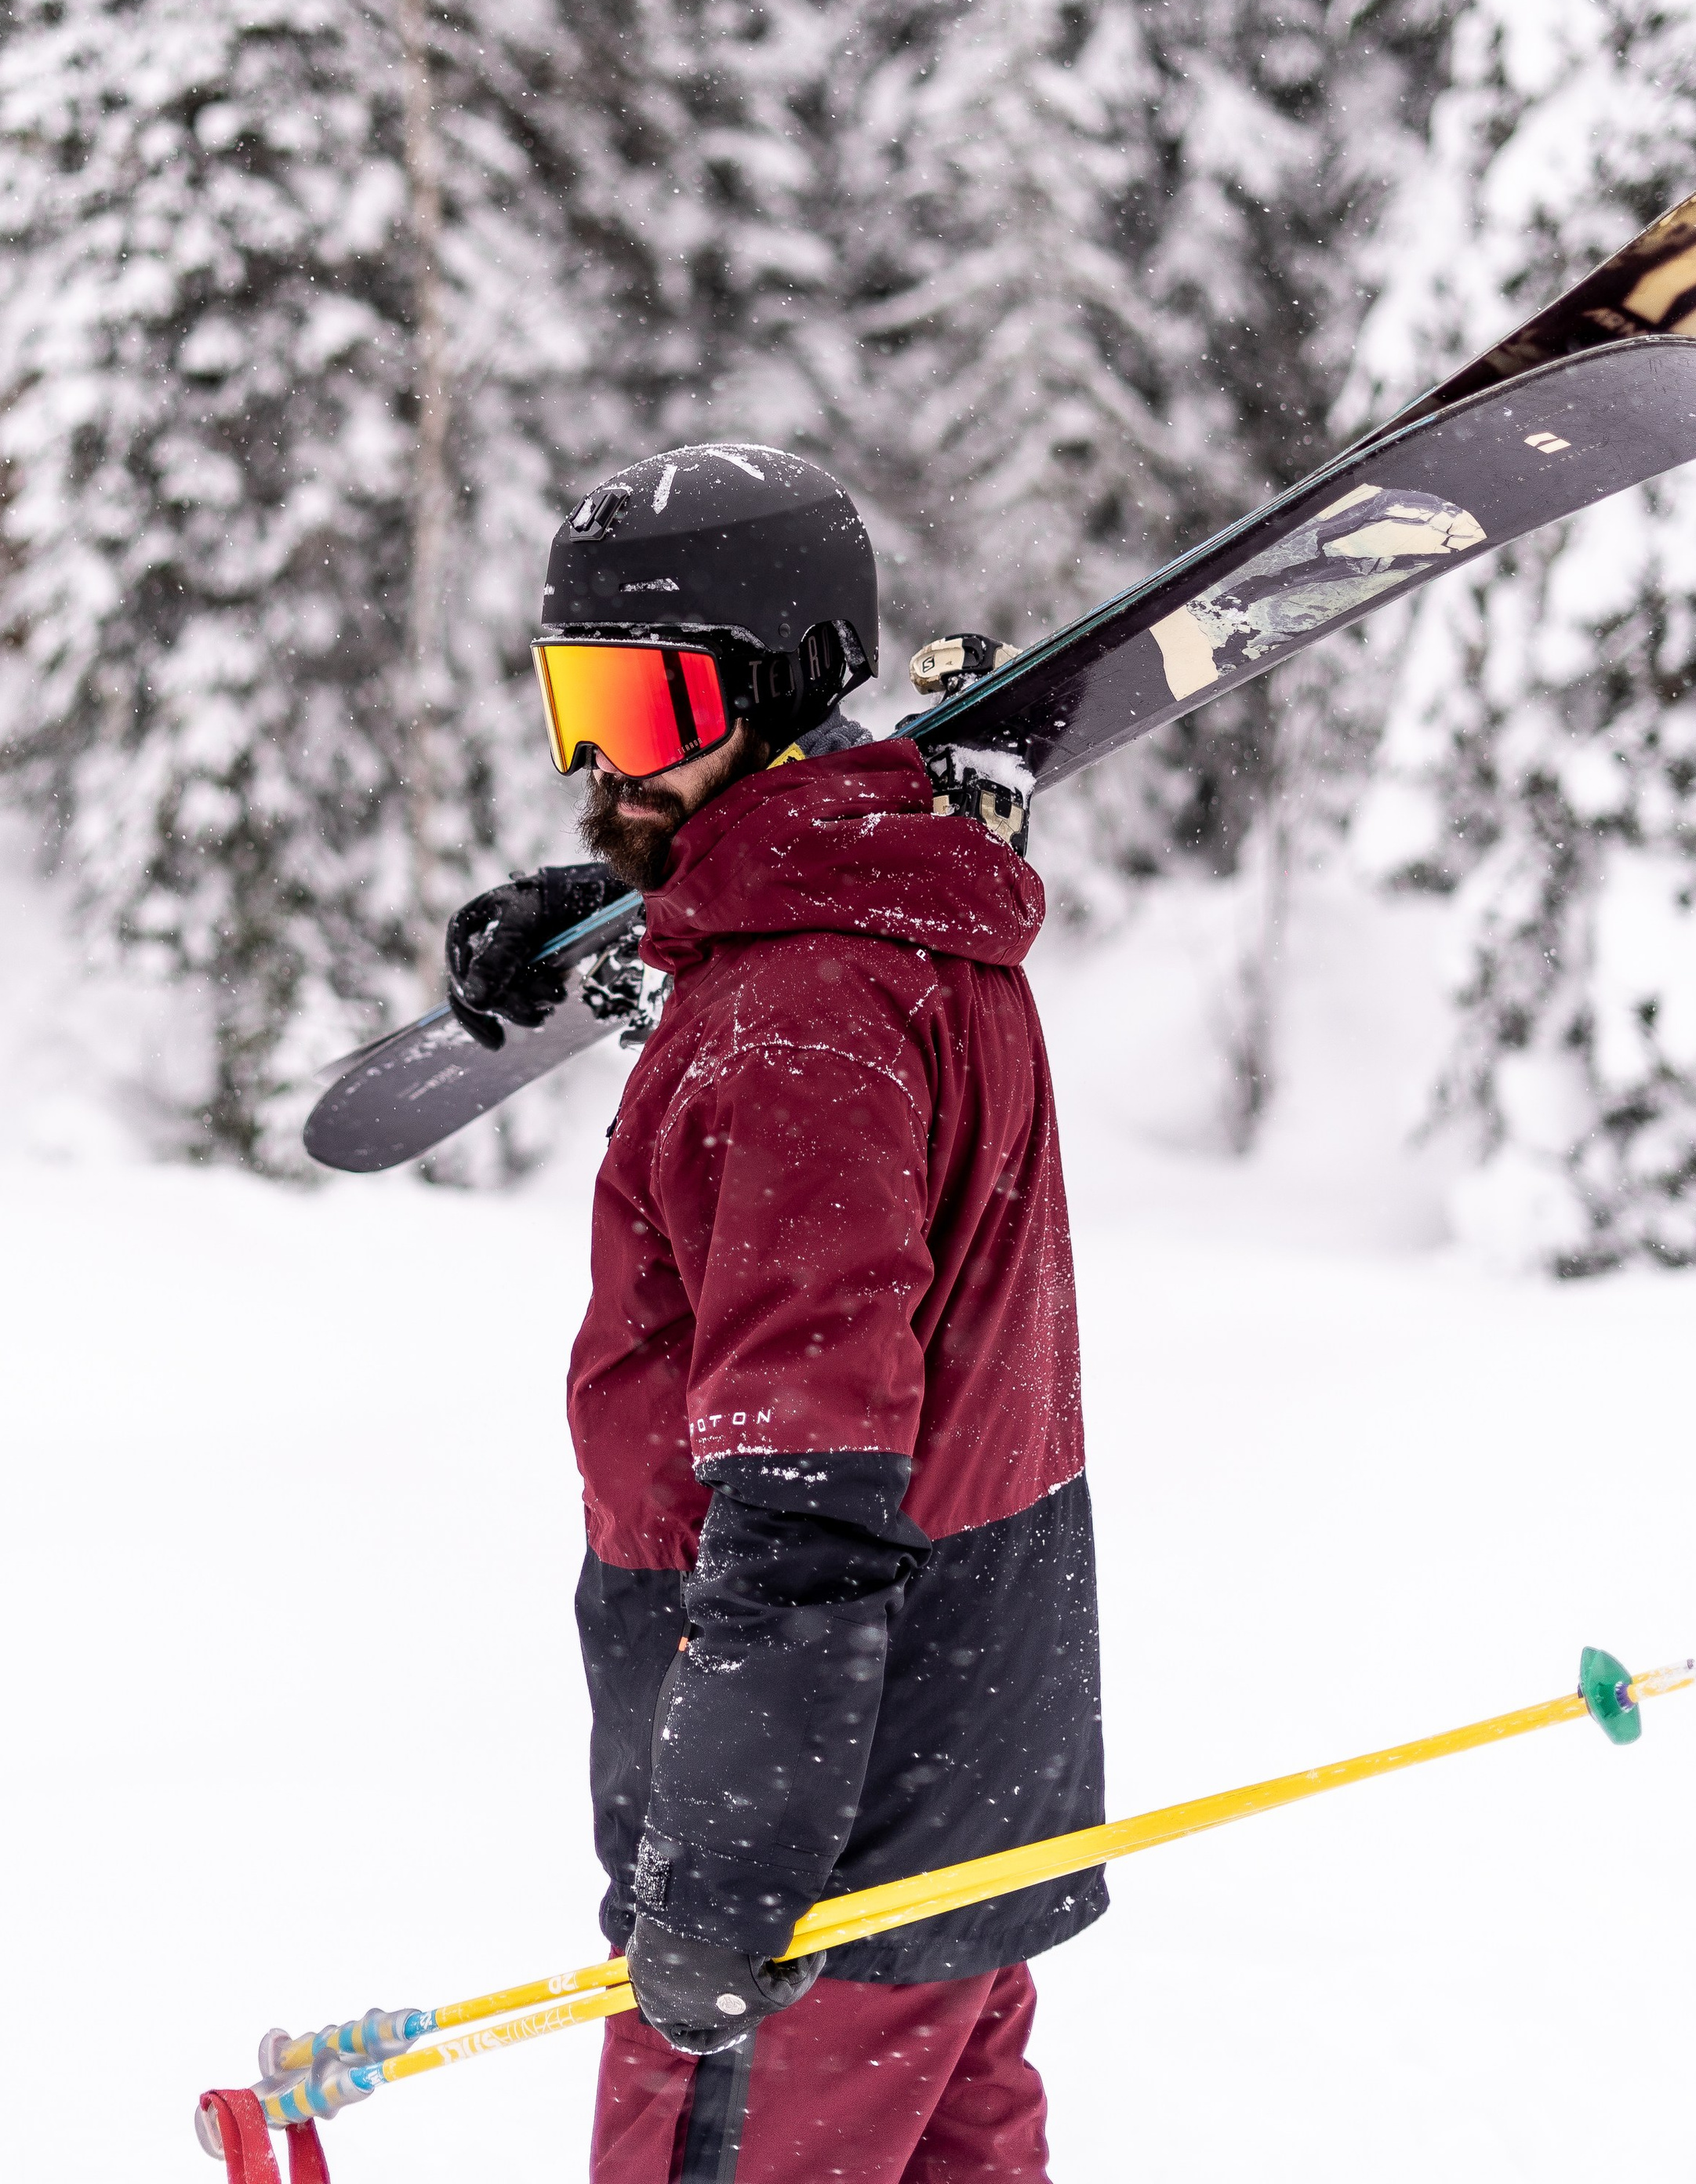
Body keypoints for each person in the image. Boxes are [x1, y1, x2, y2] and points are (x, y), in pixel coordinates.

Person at [444, 443, 1104, 2184]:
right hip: (964, 1793)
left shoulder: (786, 1027)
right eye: (568, 703)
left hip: (814, 1859)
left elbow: (803, 1495)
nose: (596, 764)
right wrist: (622, 921)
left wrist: (723, 1891)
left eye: (643, 711)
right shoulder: (914, 927)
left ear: (785, 684)